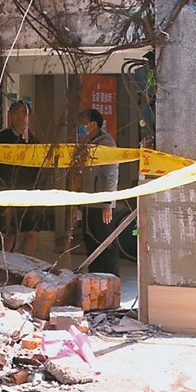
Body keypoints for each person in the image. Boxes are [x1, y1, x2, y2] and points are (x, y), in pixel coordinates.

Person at [0, 101, 44, 257]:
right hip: (9, 190)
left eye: (23, 113)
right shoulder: (2, 137)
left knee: (31, 232)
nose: (19, 117)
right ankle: (4, 265)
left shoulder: (34, 141)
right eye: (15, 113)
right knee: (10, 232)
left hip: (31, 191)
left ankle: (28, 266)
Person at [76, 108, 121, 276]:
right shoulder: (87, 144)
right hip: (89, 203)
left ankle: (111, 280)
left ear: (93, 125)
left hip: (102, 205)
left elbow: (111, 174)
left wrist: (108, 203)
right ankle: (94, 279)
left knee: (106, 244)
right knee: (91, 244)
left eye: (83, 125)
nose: (80, 129)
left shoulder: (106, 143)